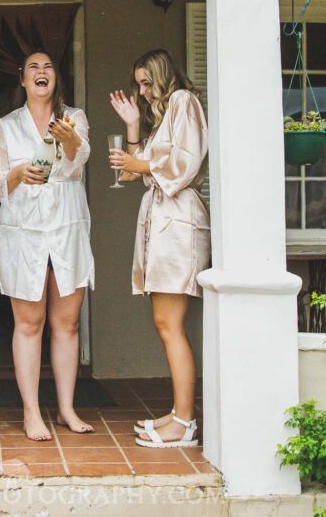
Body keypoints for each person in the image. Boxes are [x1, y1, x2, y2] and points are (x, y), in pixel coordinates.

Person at [0, 50, 95, 441]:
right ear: (22, 79)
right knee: (29, 324)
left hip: (66, 229)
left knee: (67, 324)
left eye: (48, 66)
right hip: (24, 233)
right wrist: (17, 173)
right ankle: (31, 412)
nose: (41, 71)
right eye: (33, 67)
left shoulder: (74, 117)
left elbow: (79, 160)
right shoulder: (7, 125)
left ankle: (66, 409)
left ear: (55, 78)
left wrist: (70, 140)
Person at [108, 48, 210, 449]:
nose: (143, 91)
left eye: (147, 82)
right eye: (138, 85)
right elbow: (135, 171)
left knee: (170, 324)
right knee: (165, 323)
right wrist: (133, 126)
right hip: (163, 220)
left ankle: (184, 423)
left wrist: (141, 165)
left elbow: (183, 163)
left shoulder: (184, 101)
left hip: (178, 221)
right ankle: (178, 413)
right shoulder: (164, 115)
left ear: (163, 75)